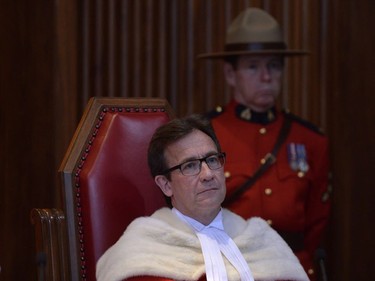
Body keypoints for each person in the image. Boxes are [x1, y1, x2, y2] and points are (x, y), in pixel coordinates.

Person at [198, 7, 331, 280]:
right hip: (226, 268)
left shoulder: (310, 140)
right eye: (253, 66)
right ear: (230, 74)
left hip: (291, 269)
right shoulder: (204, 135)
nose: (267, 77)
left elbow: (317, 221)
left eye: (273, 65)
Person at [96, 115, 309, 281]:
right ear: (166, 184)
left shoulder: (259, 238)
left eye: (212, 160)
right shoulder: (140, 250)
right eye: (190, 166)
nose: (208, 174)